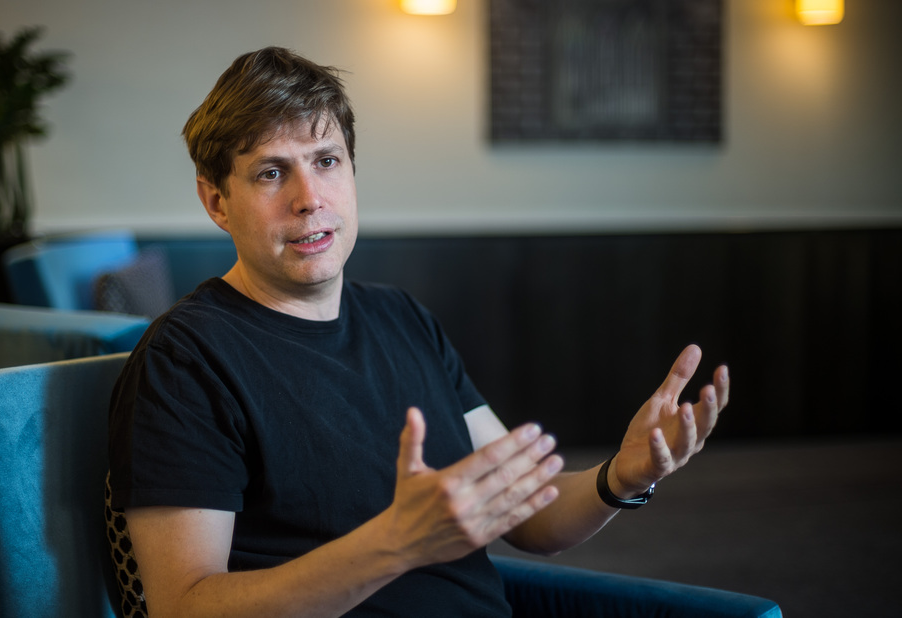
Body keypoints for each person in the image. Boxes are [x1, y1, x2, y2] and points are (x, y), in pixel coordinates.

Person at [106, 46, 730, 618]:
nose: (309, 198)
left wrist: (622, 477)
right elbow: (183, 607)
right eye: (271, 173)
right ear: (217, 201)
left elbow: (532, 516)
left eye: (327, 161)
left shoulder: (400, 317)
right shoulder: (185, 360)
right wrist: (395, 544)